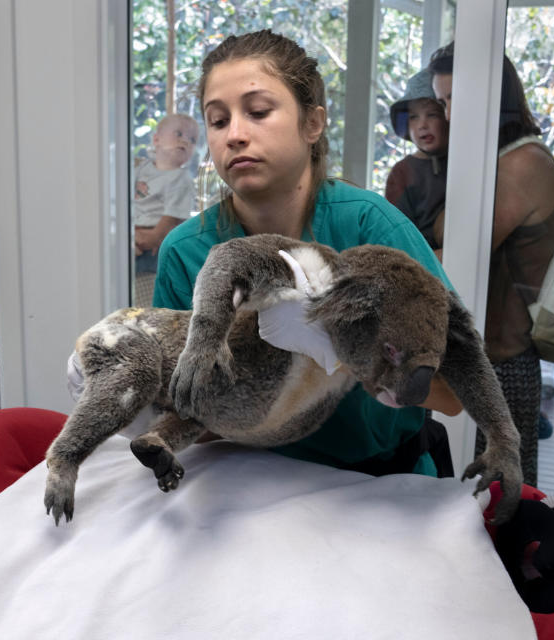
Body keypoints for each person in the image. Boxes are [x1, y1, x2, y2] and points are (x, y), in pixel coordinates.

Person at [152, 29, 462, 478]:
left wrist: (342, 346)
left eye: (258, 112)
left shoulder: (369, 227)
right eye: (218, 121)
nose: (235, 134)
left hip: (380, 485)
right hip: (249, 482)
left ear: (312, 123)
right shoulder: (187, 252)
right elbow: (193, 416)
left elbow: (452, 393)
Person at [429, 42, 554, 487]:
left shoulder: (521, 163)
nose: (447, 115)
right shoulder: (491, 161)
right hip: (489, 348)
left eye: (454, 100)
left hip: (501, 358)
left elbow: (461, 255)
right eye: (442, 101)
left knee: (497, 500)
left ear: (493, 99)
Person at [133, 113, 199, 306]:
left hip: (151, 249)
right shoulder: (142, 168)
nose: (185, 141)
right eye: (178, 133)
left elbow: (169, 223)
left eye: (192, 139)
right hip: (134, 236)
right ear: (156, 140)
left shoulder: (180, 179)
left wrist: (146, 239)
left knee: (145, 301)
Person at [385, 67, 449, 254]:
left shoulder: (466, 164)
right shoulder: (402, 173)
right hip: (419, 263)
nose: (422, 125)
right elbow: (397, 237)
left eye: (432, 115)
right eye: (414, 117)